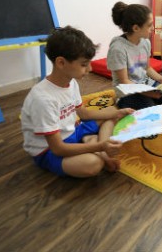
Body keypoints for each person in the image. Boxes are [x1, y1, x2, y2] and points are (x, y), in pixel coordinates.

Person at [21, 26, 135, 178]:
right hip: (48, 151)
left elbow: (83, 113)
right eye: (84, 64)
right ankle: (96, 147)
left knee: (112, 114)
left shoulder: (71, 82)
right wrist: (101, 146)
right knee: (93, 164)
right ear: (61, 63)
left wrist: (117, 112)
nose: (90, 68)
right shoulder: (43, 99)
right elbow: (58, 149)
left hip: (73, 131)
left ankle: (92, 143)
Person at [107, 1, 162, 110]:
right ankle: (121, 102)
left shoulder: (145, 42)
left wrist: (161, 79)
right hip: (127, 90)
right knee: (149, 106)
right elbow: (124, 81)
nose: (153, 28)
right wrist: (149, 93)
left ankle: (152, 103)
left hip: (145, 84)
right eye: (149, 25)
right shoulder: (118, 48)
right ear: (136, 28)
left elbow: (147, 68)